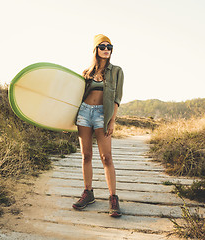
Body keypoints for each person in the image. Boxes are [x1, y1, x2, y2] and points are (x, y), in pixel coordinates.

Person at [72, 34, 124, 218]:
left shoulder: (117, 71)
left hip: (103, 114)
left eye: (109, 47)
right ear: (96, 49)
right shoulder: (86, 73)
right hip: (84, 113)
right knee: (86, 155)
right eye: (102, 46)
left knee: (106, 157)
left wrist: (111, 120)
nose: (106, 49)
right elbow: (74, 98)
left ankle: (113, 197)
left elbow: (117, 98)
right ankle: (88, 193)